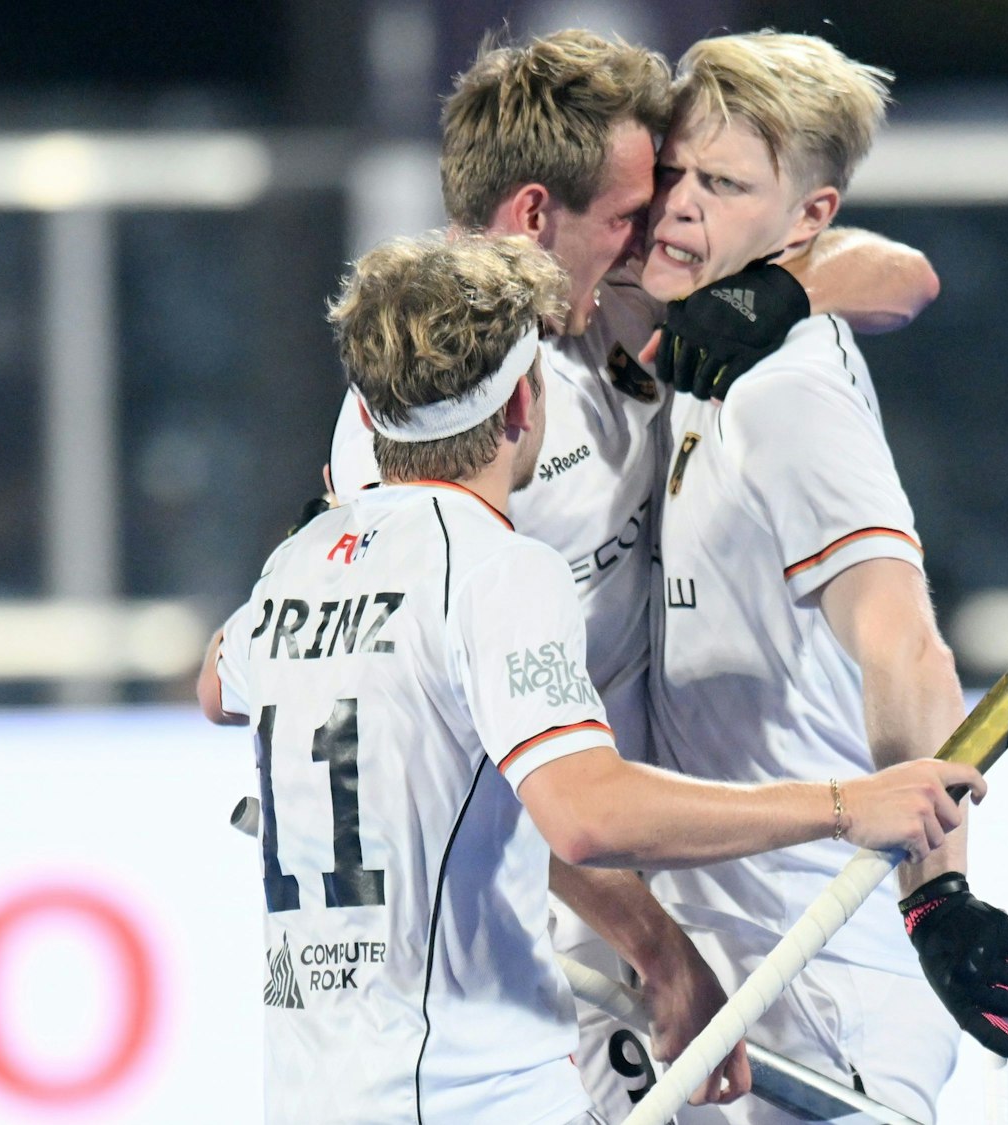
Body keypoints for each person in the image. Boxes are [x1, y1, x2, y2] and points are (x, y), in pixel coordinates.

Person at [201, 234, 985, 1125]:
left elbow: (218, 689)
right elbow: (586, 815)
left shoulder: (295, 568)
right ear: (522, 403)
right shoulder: (499, 570)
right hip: (469, 1099)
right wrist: (847, 804)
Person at [306, 30, 943, 1117]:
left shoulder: (609, 294)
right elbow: (489, 768)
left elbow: (901, 272)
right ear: (533, 219)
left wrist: (782, 294)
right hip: (567, 917)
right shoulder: (431, 432)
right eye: (632, 212)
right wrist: (658, 951)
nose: (662, 229)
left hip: (708, 900)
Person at [637, 32, 1008, 1123]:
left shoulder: (784, 386)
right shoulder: (687, 349)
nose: (678, 206)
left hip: (821, 967)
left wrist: (937, 894)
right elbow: (893, 272)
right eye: (672, 172)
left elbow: (903, 642)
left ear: (804, 217)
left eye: (721, 185)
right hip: (732, 958)